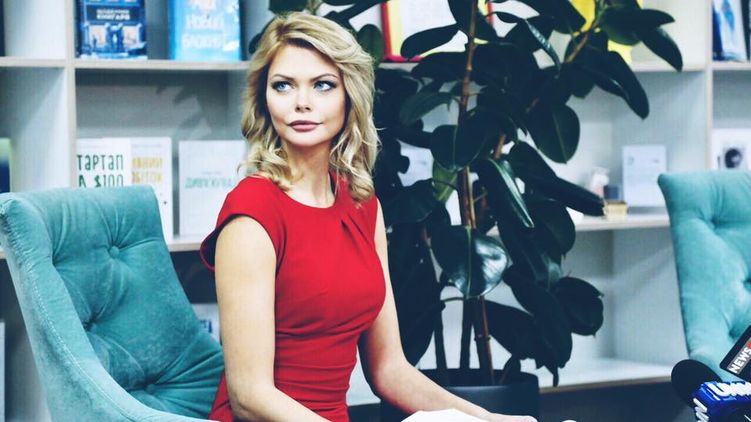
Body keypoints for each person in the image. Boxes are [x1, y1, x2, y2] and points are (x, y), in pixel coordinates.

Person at [198, 12, 537, 422]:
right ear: (264, 99)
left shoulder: (361, 204)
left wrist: (490, 419)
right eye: (283, 85)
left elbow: (389, 370)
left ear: (350, 96)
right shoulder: (252, 215)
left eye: (323, 85)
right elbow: (250, 397)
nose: (301, 102)